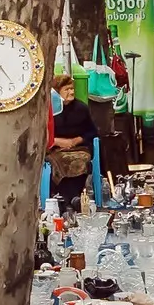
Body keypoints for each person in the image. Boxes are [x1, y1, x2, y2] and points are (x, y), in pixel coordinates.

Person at [48, 74, 98, 207]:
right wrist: (58, 142)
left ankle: (72, 197)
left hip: (79, 147)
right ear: (57, 93)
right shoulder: (50, 110)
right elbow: (43, 134)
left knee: (80, 160)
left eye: (72, 88)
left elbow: (92, 131)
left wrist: (75, 141)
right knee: (61, 161)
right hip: (56, 148)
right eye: (66, 89)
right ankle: (69, 198)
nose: (71, 92)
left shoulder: (81, 108)